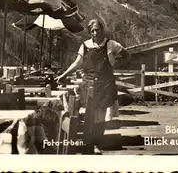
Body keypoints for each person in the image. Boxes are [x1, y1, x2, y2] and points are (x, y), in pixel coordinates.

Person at [55, 19, 131, 154]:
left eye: (98, 30)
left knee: (100, 116)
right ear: (90, 32)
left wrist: (116, 65)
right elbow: (77, 63)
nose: (95, 33)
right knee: (88, 115)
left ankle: (96, 144)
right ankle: (87, 143)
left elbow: (127, 55)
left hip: (104, 85)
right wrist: (64, 75)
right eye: (92, 31)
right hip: (88, 84)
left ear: (103, 30)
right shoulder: (85, 46)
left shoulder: (111, 44)